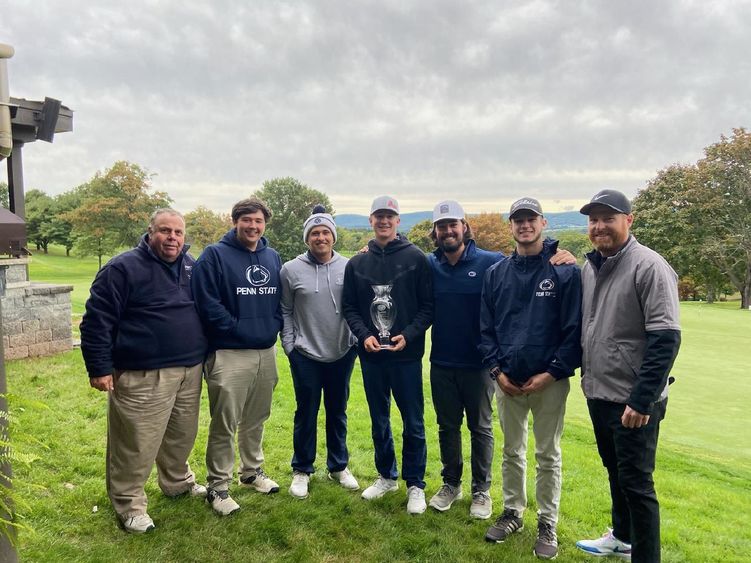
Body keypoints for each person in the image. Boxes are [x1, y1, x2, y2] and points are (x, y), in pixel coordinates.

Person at [80, 208, 208, 534]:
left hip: (189, 369)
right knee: (135, 442)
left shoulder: (191, 267)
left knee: (181, 434)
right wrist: (99, 367)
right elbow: (97, 321)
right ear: (150, 232)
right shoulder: (122, 269)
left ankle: (177, 481)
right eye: (165, 231)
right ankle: (129, 504)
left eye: (178, 233)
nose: (172, 238)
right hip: (142, 374)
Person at [575, 189, 681, 563]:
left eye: (608, 218)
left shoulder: (649, 265)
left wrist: (642, 399)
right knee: (615, 473)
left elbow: (666, 338)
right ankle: (621, 539)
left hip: (633, 401)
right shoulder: (591, 267)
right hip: (600, 393)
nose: (599, 226)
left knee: (637, 485)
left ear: (628, 220)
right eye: (593, 219)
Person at [479, 198, 582, 560]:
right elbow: (486, 330)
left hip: (549, 382)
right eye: (518, 220)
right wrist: (497, 372)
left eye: (531, 219)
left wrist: (552, 372)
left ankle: (547, 522)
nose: (525, 225)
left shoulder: (565, 271)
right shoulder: (497, 273)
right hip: (507, 380)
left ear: (543, 222)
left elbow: (574, 331)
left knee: (548, 454)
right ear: (511, 226)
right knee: (511, 450)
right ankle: (512, 512)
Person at [342, 195, 433, 514]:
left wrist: (408, 336)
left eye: (389, 216)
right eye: (378, 216)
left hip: (406, 357)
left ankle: (416, 484)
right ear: (371, 220)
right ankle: (386, 476)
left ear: (398, 221)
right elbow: (349, 307)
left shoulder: (416, 258)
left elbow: (428, 307)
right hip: (371, 357)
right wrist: (364, 334)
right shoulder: (357, 263)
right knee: (379, 419)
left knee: (413, 422)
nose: (384, 221)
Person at [191, 196, 283, 516]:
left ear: (264, 224)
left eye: (258, 221)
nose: (253, 226)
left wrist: (272, 326)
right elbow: (207, 302)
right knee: (225, 422)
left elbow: (278, 301)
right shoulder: (215, 256)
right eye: (247, 220)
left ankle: (252, 472)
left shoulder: (272, 257)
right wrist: (236, 328)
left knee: (257, 417)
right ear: (235, 222)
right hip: (229, 352)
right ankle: (218, 486)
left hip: (265, 351)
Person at [425, 200, 500, 520]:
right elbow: (395, 261)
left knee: (481, 428)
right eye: (442, 226)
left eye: (453, 224)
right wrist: (367, 252)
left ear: (464, 227)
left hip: (480, 365)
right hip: (442, 361)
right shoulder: (429, 264)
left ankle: (481, 490)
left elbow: (527, 264)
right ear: (436, 232)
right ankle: (451, 484)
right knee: (447, 427)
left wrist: (556, 253)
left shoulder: (491, 261)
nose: (448, 231)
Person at [280, 205, 359, 499]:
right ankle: (302, 469)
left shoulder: (349, 266)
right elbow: (285, 310)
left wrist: (352, 342)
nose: (320, 237)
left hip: (341, 352)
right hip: (305, 355)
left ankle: (338, 466)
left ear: (333, 237)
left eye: (325, 232)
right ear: (307, 238)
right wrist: (290, 345)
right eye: (314, 233)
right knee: (307, 412)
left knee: (337, 411)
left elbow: (356, 307)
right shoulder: (290, 270)